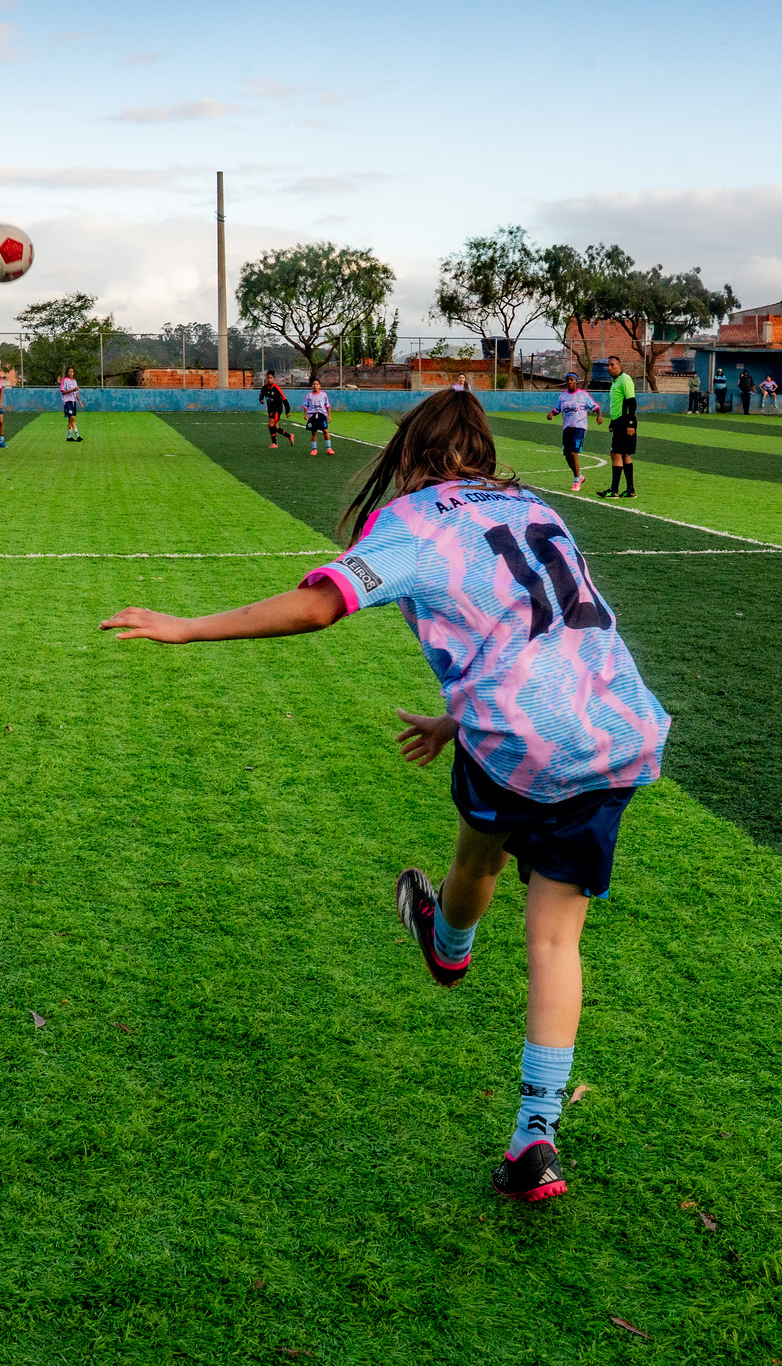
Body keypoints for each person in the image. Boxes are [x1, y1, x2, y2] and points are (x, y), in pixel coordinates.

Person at [99, 389, 667, 1205]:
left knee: (480, 855)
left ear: (412, 451)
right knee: (554, 941)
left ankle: (448, 944)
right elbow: (543, 632)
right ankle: (534, 1137)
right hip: (619, 728)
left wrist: (186, 625)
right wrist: (454, 717)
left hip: (518, 738)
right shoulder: (534, 505)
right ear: (481, 448)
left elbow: (318, 606)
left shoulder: (412, 520)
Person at [546, 371, 602, 493]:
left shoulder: (583, 395)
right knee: (567, 455)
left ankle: (576, 481)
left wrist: (599, 415)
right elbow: (557, 409)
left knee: (573, 453)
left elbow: (596, 407)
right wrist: (551, 414)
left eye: (572, 379)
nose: (569, 382)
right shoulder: (563, 396)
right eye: (567, 380)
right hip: (567, 428)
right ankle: (580, 476)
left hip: (579, 427)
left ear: (576, 381)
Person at [598, 356, 636, 499]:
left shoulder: (625, 379)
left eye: (612, 365)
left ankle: (614, 490)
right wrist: (613, 423)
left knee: (616, 454)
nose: (609, 368)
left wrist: (630, 423)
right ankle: (630, 490)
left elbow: (631, 402)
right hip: (619, 422)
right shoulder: (615, 382)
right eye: (608, 365)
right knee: (624, 455)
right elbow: (618, 405)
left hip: (625, 422)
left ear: (619, 365)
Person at [259, 370, 293, 448]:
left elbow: (284, 399)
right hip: (270, 409)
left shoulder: (276, 389)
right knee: (276, 427)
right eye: (268, 378)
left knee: (270, 424)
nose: (269, 379)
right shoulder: (264, 388)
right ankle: (289, 436)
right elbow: (261, 395)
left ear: (273, 379)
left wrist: (287, 411)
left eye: (271, 378)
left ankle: (274, 443)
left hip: (277, 409)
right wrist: (261, 400)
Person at [302, 377, 333, 454]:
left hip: (322, 415)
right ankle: (314, 449)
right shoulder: (309, 395)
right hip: (313, 416)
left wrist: (329, 416)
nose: (315, 385)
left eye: (317, 384)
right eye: (314, 384)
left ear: (320, 385)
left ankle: (329, 448)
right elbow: (305, 405)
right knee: (313, 432)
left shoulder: (323, 394)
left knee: (325, 431)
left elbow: (327, 406)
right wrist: (305, 414)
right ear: (312, 385)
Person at [59, 366, 83, 442]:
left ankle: (69, 437)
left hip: (73, 401)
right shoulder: (65, 380)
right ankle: (77, 435)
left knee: (70, 419)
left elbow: (76, 393)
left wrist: (79, 401)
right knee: (72, 418)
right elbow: (63, 391)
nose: (71, 373)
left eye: (72, 371)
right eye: (69, 371)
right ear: (67, 372)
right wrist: (73, 390)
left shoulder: (74, 381)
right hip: (67, 401)